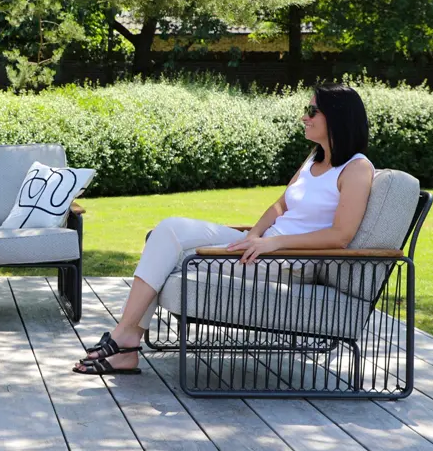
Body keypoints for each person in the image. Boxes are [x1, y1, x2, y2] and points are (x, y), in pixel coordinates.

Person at [75, 83, 375, 375]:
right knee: (167, 232)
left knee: (171, 256)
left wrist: (275, 244)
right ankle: (126, 339)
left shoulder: (356, 169)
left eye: (312, 111)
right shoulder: (314, 158)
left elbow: (341, 235)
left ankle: (124, 342)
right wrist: (254, 235)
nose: (304, 117)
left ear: (337, 116)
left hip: (291, 262)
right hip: (263, 247)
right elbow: (281, 205)